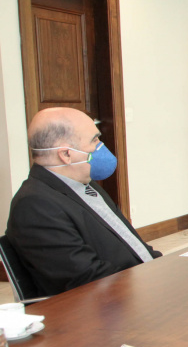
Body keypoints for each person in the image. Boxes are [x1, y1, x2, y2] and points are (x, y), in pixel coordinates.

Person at [6, 107, 161, 297]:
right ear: (66, 155)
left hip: (139, 288)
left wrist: (163, 269)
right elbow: (87, 279)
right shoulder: (34, 205)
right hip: (107, 308)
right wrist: (148, 285)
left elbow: (133, 246)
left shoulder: (87, 185)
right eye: (94, 140)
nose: (101, 146)